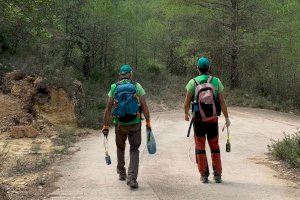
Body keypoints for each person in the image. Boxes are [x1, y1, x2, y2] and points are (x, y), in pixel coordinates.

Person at [101, 64, 151, 189]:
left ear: (120, 74)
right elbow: (144, 106)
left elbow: (107, 108)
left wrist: (105, 125)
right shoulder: (136, 86)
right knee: (134, 149)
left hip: (120, 123)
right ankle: (132, 178)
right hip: (135, 122)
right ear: (130, 74)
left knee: (120, 147)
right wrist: (148, 122)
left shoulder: (114, 87)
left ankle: (122, 173)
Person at [184, 57, 230, 183]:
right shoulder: (216, 81)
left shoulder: (193, 82)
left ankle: (204, 175)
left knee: (200, 146)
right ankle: (218, 174)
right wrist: (226, 118)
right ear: (208, 68)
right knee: (214, 146)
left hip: (199, 120)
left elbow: (186, 103)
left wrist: (186, 114)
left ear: (197, 68)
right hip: (212, 120)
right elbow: (222, 102)